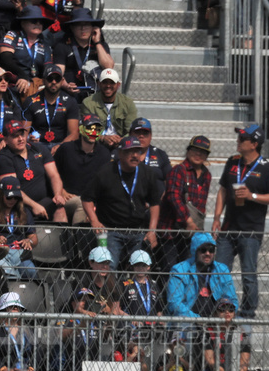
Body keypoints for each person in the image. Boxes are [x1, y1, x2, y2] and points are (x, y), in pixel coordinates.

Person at [212, 123, 269, 318]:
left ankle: (248, 312)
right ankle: (222, 307)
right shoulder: (232, 162)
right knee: (220, 271)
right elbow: (223, 190)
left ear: (254, 144)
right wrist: (216, 217)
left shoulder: (267, 169)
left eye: (242, 139)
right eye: (239, 137)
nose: (238, 141)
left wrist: (252, 196)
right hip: (228, 227)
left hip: (251, 230)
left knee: (248, 274)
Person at [84, 135, 160, 270]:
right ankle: (109, 292)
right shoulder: (106, 171)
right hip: (111, 230)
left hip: (137, 230)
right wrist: (94, 221)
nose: (135, 155)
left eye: (138, 151)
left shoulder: (148, 173)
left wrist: (152, 231)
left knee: (140, 267)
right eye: (130, 152)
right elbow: (87, 199)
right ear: (120, 153)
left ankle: (135, 291)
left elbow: (154, 203)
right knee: (108, 266)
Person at [159, 135, 213, 273]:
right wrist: (188, 220)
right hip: (171, 232)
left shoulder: (207, 175)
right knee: (170, 271)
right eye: (195, 150)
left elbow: (201, 206)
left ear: (207, 155)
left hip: (191, 235)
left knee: (190, 271)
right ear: (188, 151)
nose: (198, 154)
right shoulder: (178, 170)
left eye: (202, 152)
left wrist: (196, 227)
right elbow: (173, 196)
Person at [168, 232, 239, 318]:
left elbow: (232, 299)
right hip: (188, 322)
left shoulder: (222, 269)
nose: (208, 253)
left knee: (245, 326)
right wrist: (197, 319)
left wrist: (225, 314)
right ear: (195, 251)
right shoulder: (179, 270)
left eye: (211, 250)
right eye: (203, 250)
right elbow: (174, 304)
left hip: (217, 321)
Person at [24, 64, 79, 150]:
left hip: (62, 144)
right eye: (50, 78)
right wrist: (29, 139)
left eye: (57, 79)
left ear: (62, 81)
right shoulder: (30, 101)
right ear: (43, 80)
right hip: (38, 145)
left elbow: (74, 134)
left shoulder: (70, 101)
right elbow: (24, 132)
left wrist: (60, 147)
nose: (54, 82)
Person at [80, 68, 137, 148]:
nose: (108, 86)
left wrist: (121, 140)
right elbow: (85, 129)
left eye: (112, 83)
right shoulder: (88, 103)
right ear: (99, 84)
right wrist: (103, 138)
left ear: (118, 85)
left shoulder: (128, 103)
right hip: (96, 145)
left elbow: (131, 130)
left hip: (121, 145)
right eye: (105, 82)